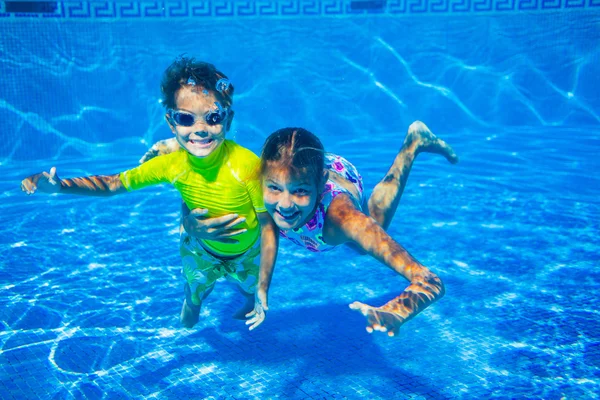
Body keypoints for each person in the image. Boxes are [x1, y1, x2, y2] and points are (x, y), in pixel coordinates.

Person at [20, 56, 278, 330]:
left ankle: (250, 298)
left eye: (213, 117)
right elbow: (113, 184)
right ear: (171, 122)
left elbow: (268, 226)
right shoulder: (172, 166)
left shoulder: (247, 167)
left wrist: (264, 286)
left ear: (227, 120)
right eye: (185, 118)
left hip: (249, 252)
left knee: (250, 291)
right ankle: (191, 308)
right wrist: (60, 186)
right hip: (201, 250)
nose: (200, 129)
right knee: (194, 293)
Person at [152, 121, 458, 336]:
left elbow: (429, 281)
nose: (284, 205)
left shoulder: (342, 219)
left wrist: (397, 311)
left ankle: (413, 144)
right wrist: (174, 149)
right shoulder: (253, 184)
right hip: (300, 166)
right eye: (273, 188)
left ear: (318, 184)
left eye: (299, 192)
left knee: (369, 231)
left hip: (339, 179)